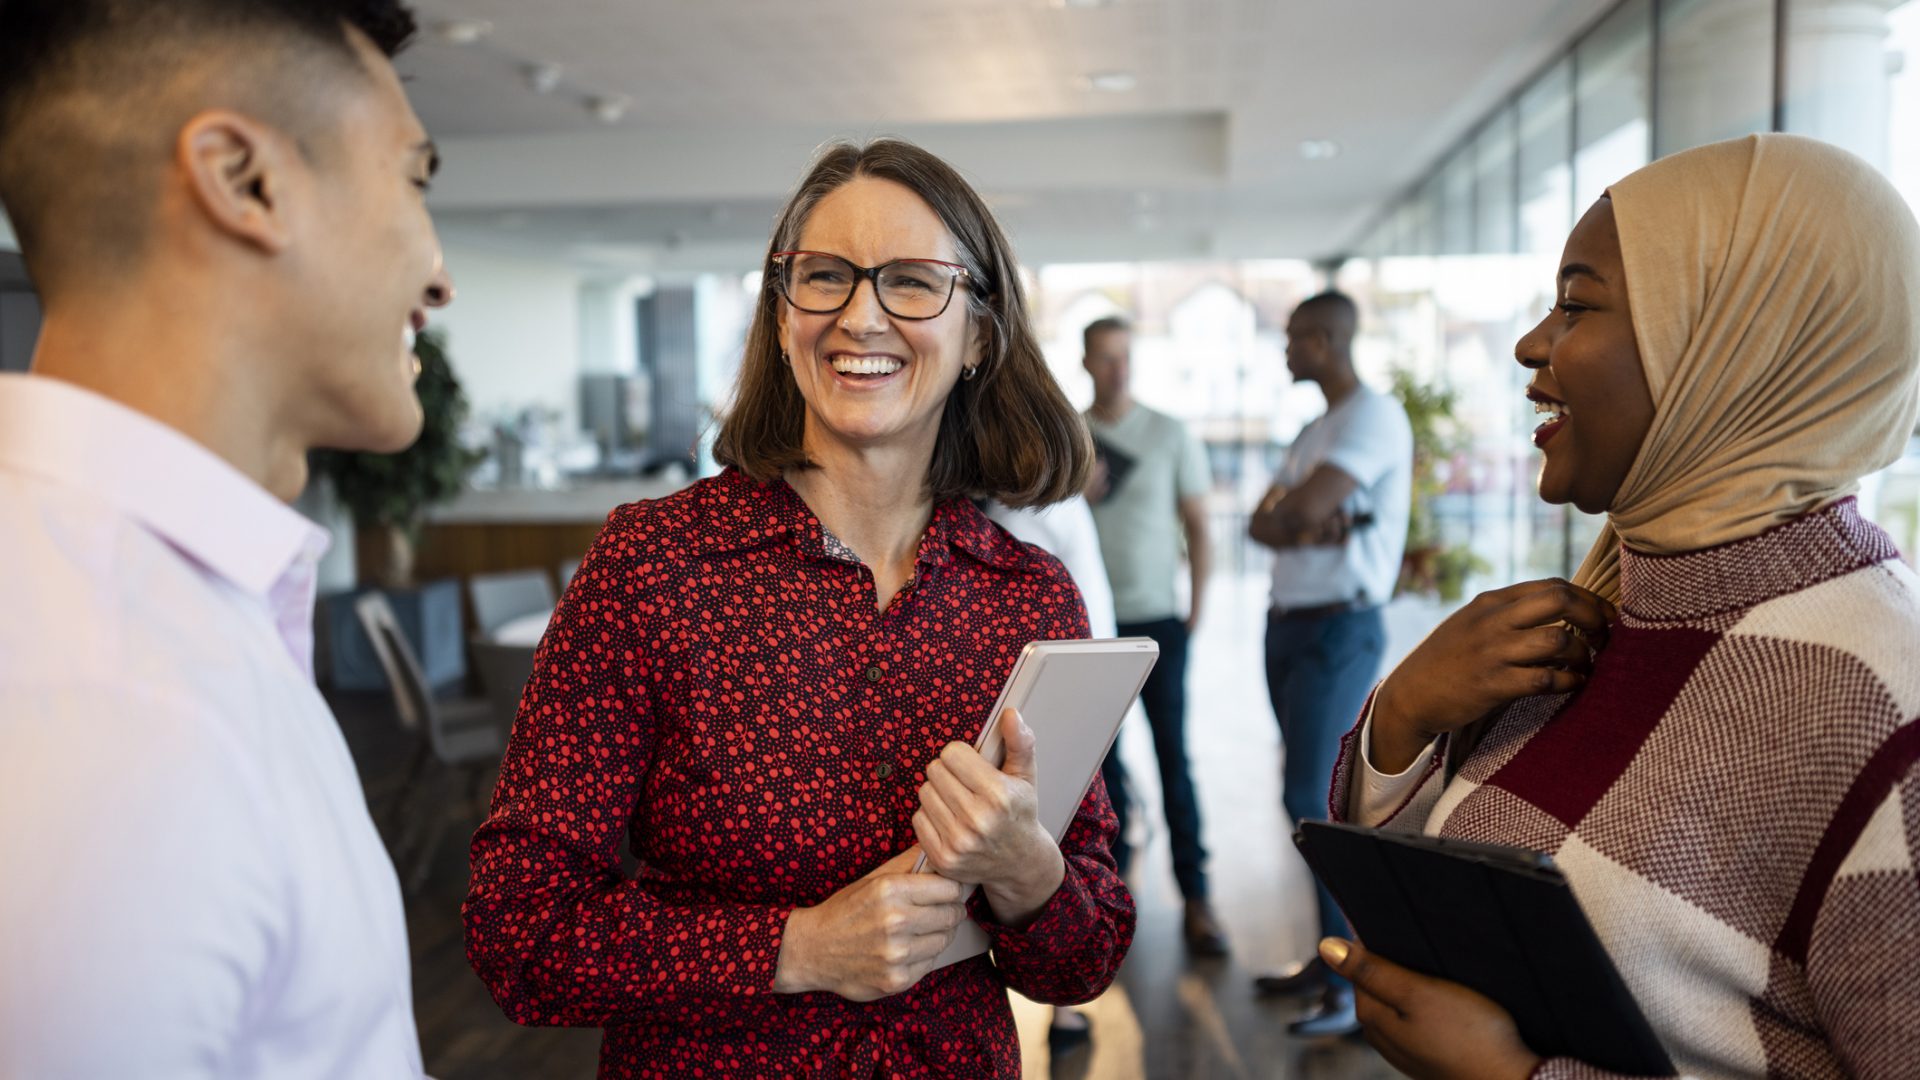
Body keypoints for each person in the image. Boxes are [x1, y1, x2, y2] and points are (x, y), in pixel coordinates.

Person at [463, 138, 1134, 1078]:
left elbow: (1085, 958)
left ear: (980, 333)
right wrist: (799, 947)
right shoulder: (654, 565)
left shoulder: (1025, 595)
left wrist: (1027, 869)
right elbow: (519, 928)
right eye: (824, 277)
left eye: (911, 282)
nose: (861, 315)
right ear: (783, 316)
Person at [1317, 134, 1920, 1079]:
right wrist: (1404, 715)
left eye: (1577, 304)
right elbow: (1440, 897)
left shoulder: (1880, 708)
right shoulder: (1602, 611)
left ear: (1733, 344)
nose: (1529, 343)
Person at [0, 1, 452, 1076]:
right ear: (245, 181)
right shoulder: (112, 702)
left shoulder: (152, 617)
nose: (439, 276)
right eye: (412, 179)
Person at [1246, 291, 1411, 1036]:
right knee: (1307, 794)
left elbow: (1299, 514)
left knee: (1315, 796)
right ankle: (1330, 956)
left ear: (1324, 338)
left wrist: (1297, 517)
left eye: (1291, 338)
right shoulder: (1316, 428)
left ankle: (1354, 984)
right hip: (1288, 626)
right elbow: (1264, 522)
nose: (1284, 351)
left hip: (1338, 628)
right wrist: (1293, 517)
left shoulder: (1373, 415)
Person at [1082, 315, 1229, 956]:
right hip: (1087, 628)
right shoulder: (1068, 437)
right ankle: (1111, 903)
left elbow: (1198, 523)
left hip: (1157, 620)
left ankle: (1197, 899)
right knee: (1100, 769)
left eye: (1125, 358)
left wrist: (1196, 608)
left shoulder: (1169, 434)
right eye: (1106, 358)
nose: (1118, 369)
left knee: (1174, 758)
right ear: (1087, 362)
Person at [980, 491, 1116, 1060]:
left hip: (1071, 683)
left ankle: (1065, 1013)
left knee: (1057, 829)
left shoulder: (1043, 523)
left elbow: (1090, 618)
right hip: (1041, 686)